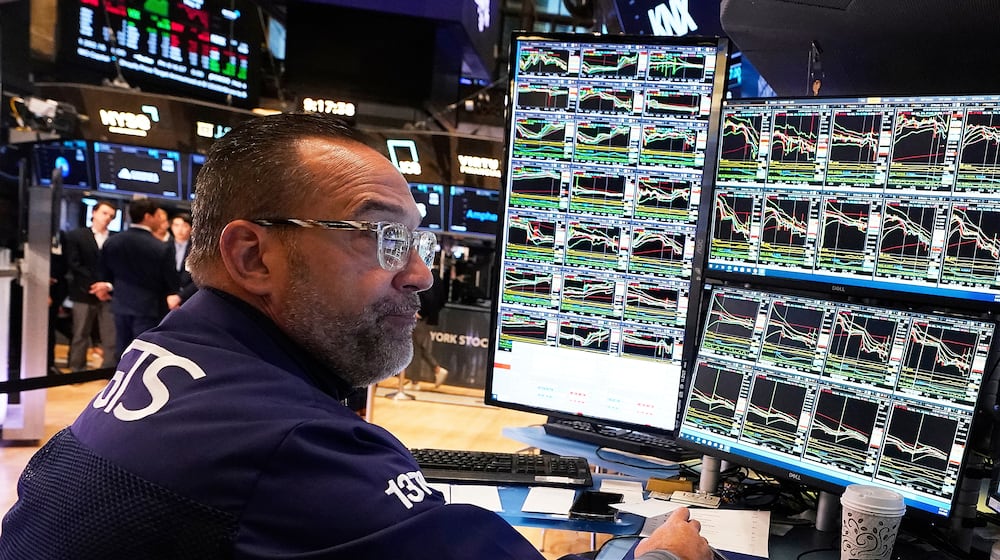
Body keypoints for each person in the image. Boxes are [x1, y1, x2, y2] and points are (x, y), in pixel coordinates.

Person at [0, 113, 712, 560]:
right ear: (252, 256)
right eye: (383, 239)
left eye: (417, 240)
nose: (421, 274)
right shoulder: (284, 443)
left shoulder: (173, 354)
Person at [96, 198, 180, 359]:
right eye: (157, 215)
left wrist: (110, 287)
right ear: (148, 217)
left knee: (121, 349)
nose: (159, 219)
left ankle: (118, 381)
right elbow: (172, 282)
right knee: (143, 352)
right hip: (149, 308)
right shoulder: (161, 248)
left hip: (120, 304)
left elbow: (104, 274)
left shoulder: (112, 242)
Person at [62, 200, 118, 371]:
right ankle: (76, 368)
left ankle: (108, 370)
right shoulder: (76, 236)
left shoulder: (116, 239)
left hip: (108, 293)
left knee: (110, 335)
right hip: (83, 291)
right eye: (104, 213)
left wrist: (106, 285)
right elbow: (74, 264)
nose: (107, 218)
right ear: (93, 213)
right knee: (80, 333)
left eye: (111, 216)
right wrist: (95, 286)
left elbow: (118, 267)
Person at [169, 211, 198, 303]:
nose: (180, 229)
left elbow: (199, 279)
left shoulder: (196, 250)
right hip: (166, 298)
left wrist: (180, 296)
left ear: (191, 228)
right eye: (176, 225)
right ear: (171, 227)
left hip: (188, 298)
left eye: (184, 226)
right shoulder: (164, 246)